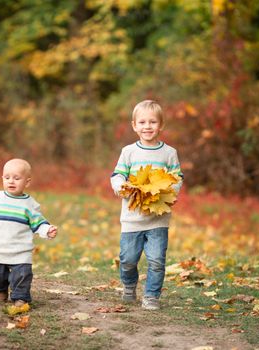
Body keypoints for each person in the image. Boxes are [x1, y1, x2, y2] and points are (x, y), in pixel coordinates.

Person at [110, 100, 183, 310]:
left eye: (152, 122)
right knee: (128, 260)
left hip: (158, 218)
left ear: (161, 125)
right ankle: (129, 285)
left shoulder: (169, 153)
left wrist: (171, 193)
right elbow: (118, 174)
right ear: (134, 125)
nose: (147, 126)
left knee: (157, 260)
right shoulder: (129, 152)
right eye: (142, 122)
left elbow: (177, 177)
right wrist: (120, 186)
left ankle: (151, 296)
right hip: (132, 217)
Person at [0, 158, 57, 307]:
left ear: (27, 182)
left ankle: (20, 298)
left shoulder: (29, 205)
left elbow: (38, 223)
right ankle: (0, 290)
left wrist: (47, 230)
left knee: (21, 276)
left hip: (20, 250)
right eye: (7, 177)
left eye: (16, 178)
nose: (11, 181)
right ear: (2, 178)